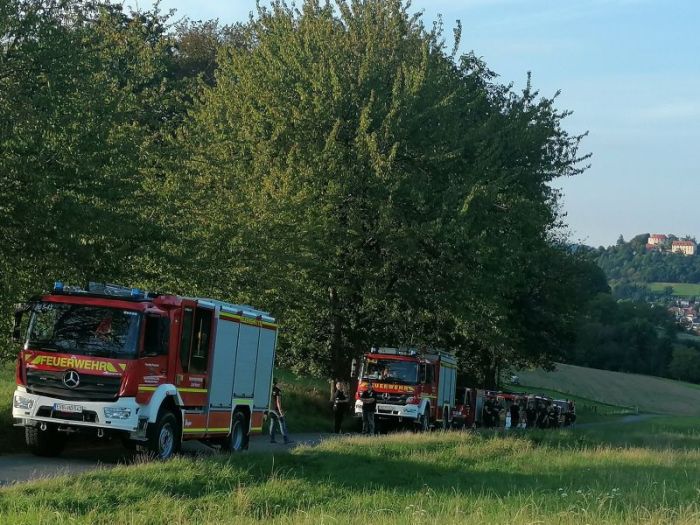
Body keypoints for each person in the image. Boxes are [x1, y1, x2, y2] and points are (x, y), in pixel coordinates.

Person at [268, 378, 292, 444]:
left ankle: (272, 439)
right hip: (276, 410)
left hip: (270, 409)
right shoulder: (278, 391)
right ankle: (286, 440)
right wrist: (280, 411)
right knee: (282, 424)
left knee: (272, 424)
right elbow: (278, 402)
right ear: (277, 383)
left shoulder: (270, 389)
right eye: (279, 383)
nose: (281, 384)